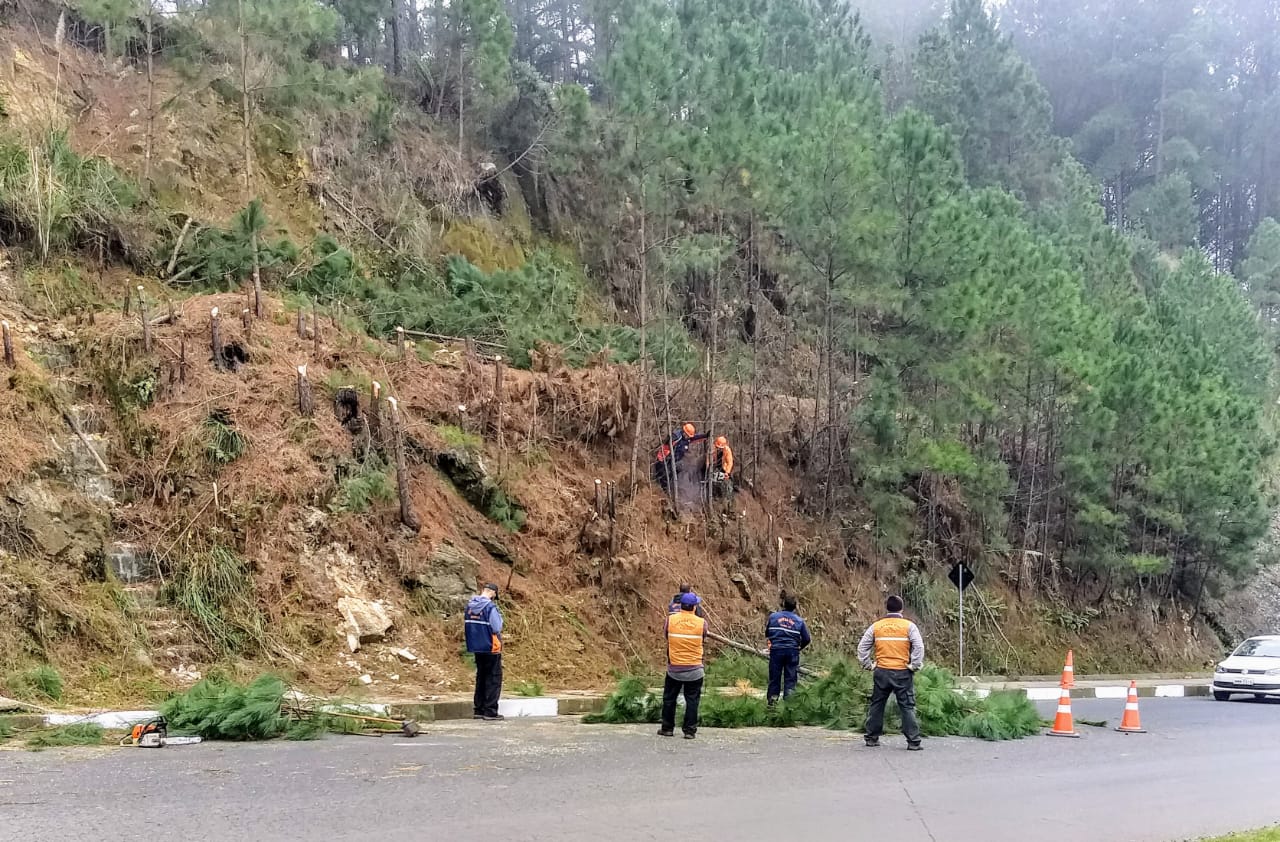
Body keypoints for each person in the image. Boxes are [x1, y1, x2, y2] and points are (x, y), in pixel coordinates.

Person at [857, 595, 925, 750]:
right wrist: (914, 665)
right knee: (906, 706)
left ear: (886, 608)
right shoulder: (909, 626)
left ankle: (871, 738)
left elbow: (862, 647)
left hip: (881, 671)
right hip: (902, 672)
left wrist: (868, 665)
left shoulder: (876, 626)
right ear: (902, 609)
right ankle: (913, 742)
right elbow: (919, 647)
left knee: (877, 704)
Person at [660, 592, 707, 740]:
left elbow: (666, 636)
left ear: (680, 606)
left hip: (675, 668)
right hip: (695, 669)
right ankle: (689, 731)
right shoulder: (702, 623)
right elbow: (703, 638)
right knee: (692, 700)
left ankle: (667, 728)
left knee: (669, 699)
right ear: (694, 607)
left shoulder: (670, 620)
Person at [464, 583, 505, 722]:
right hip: (491, 646)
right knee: (493, 678)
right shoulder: (490, 607)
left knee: (481, 677)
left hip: (476, 646)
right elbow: (496, 627)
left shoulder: (469, 606)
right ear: (493, 593)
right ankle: (490, 711)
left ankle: (479, 709)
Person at [765, 593, 811, 704]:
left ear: (783, 604)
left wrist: (775, 641)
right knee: (790, 680)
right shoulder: (799, 621)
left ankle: (772, 704)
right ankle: (789, 707)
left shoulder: (773, 617)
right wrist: (798, 648)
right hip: (792, 652)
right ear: (795, 607)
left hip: (776, 651)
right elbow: (807, 639)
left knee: (774, 678)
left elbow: (767, 633)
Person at [652, 423, 709, 490]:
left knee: (674, 473)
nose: (688, 437)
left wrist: (705, 436)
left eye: (689, 436)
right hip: (664, 459)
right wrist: (664, 459)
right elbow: (666, 447)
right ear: (684, 432)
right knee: (663, 475)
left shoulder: (687, 438)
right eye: (688, 435)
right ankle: (660, 488)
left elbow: (695, 438)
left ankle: (668, 488)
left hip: (675, 461)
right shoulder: (677, 437)